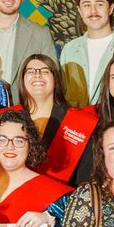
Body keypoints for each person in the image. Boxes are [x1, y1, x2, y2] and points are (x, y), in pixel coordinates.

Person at [18, 52, 93, 183]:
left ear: (56, 80)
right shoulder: (9, 118)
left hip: (64, 198)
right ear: (22, 80)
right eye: (30, 71)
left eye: (45, 71)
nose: (37, 75)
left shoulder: (77, 121)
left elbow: (85, 175)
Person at [58, 0, 114, 106]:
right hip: (78, 123)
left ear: (110, 8)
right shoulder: (69, 49)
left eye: (99, 4)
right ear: (80, 10)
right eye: (87, 5)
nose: (93, 11)